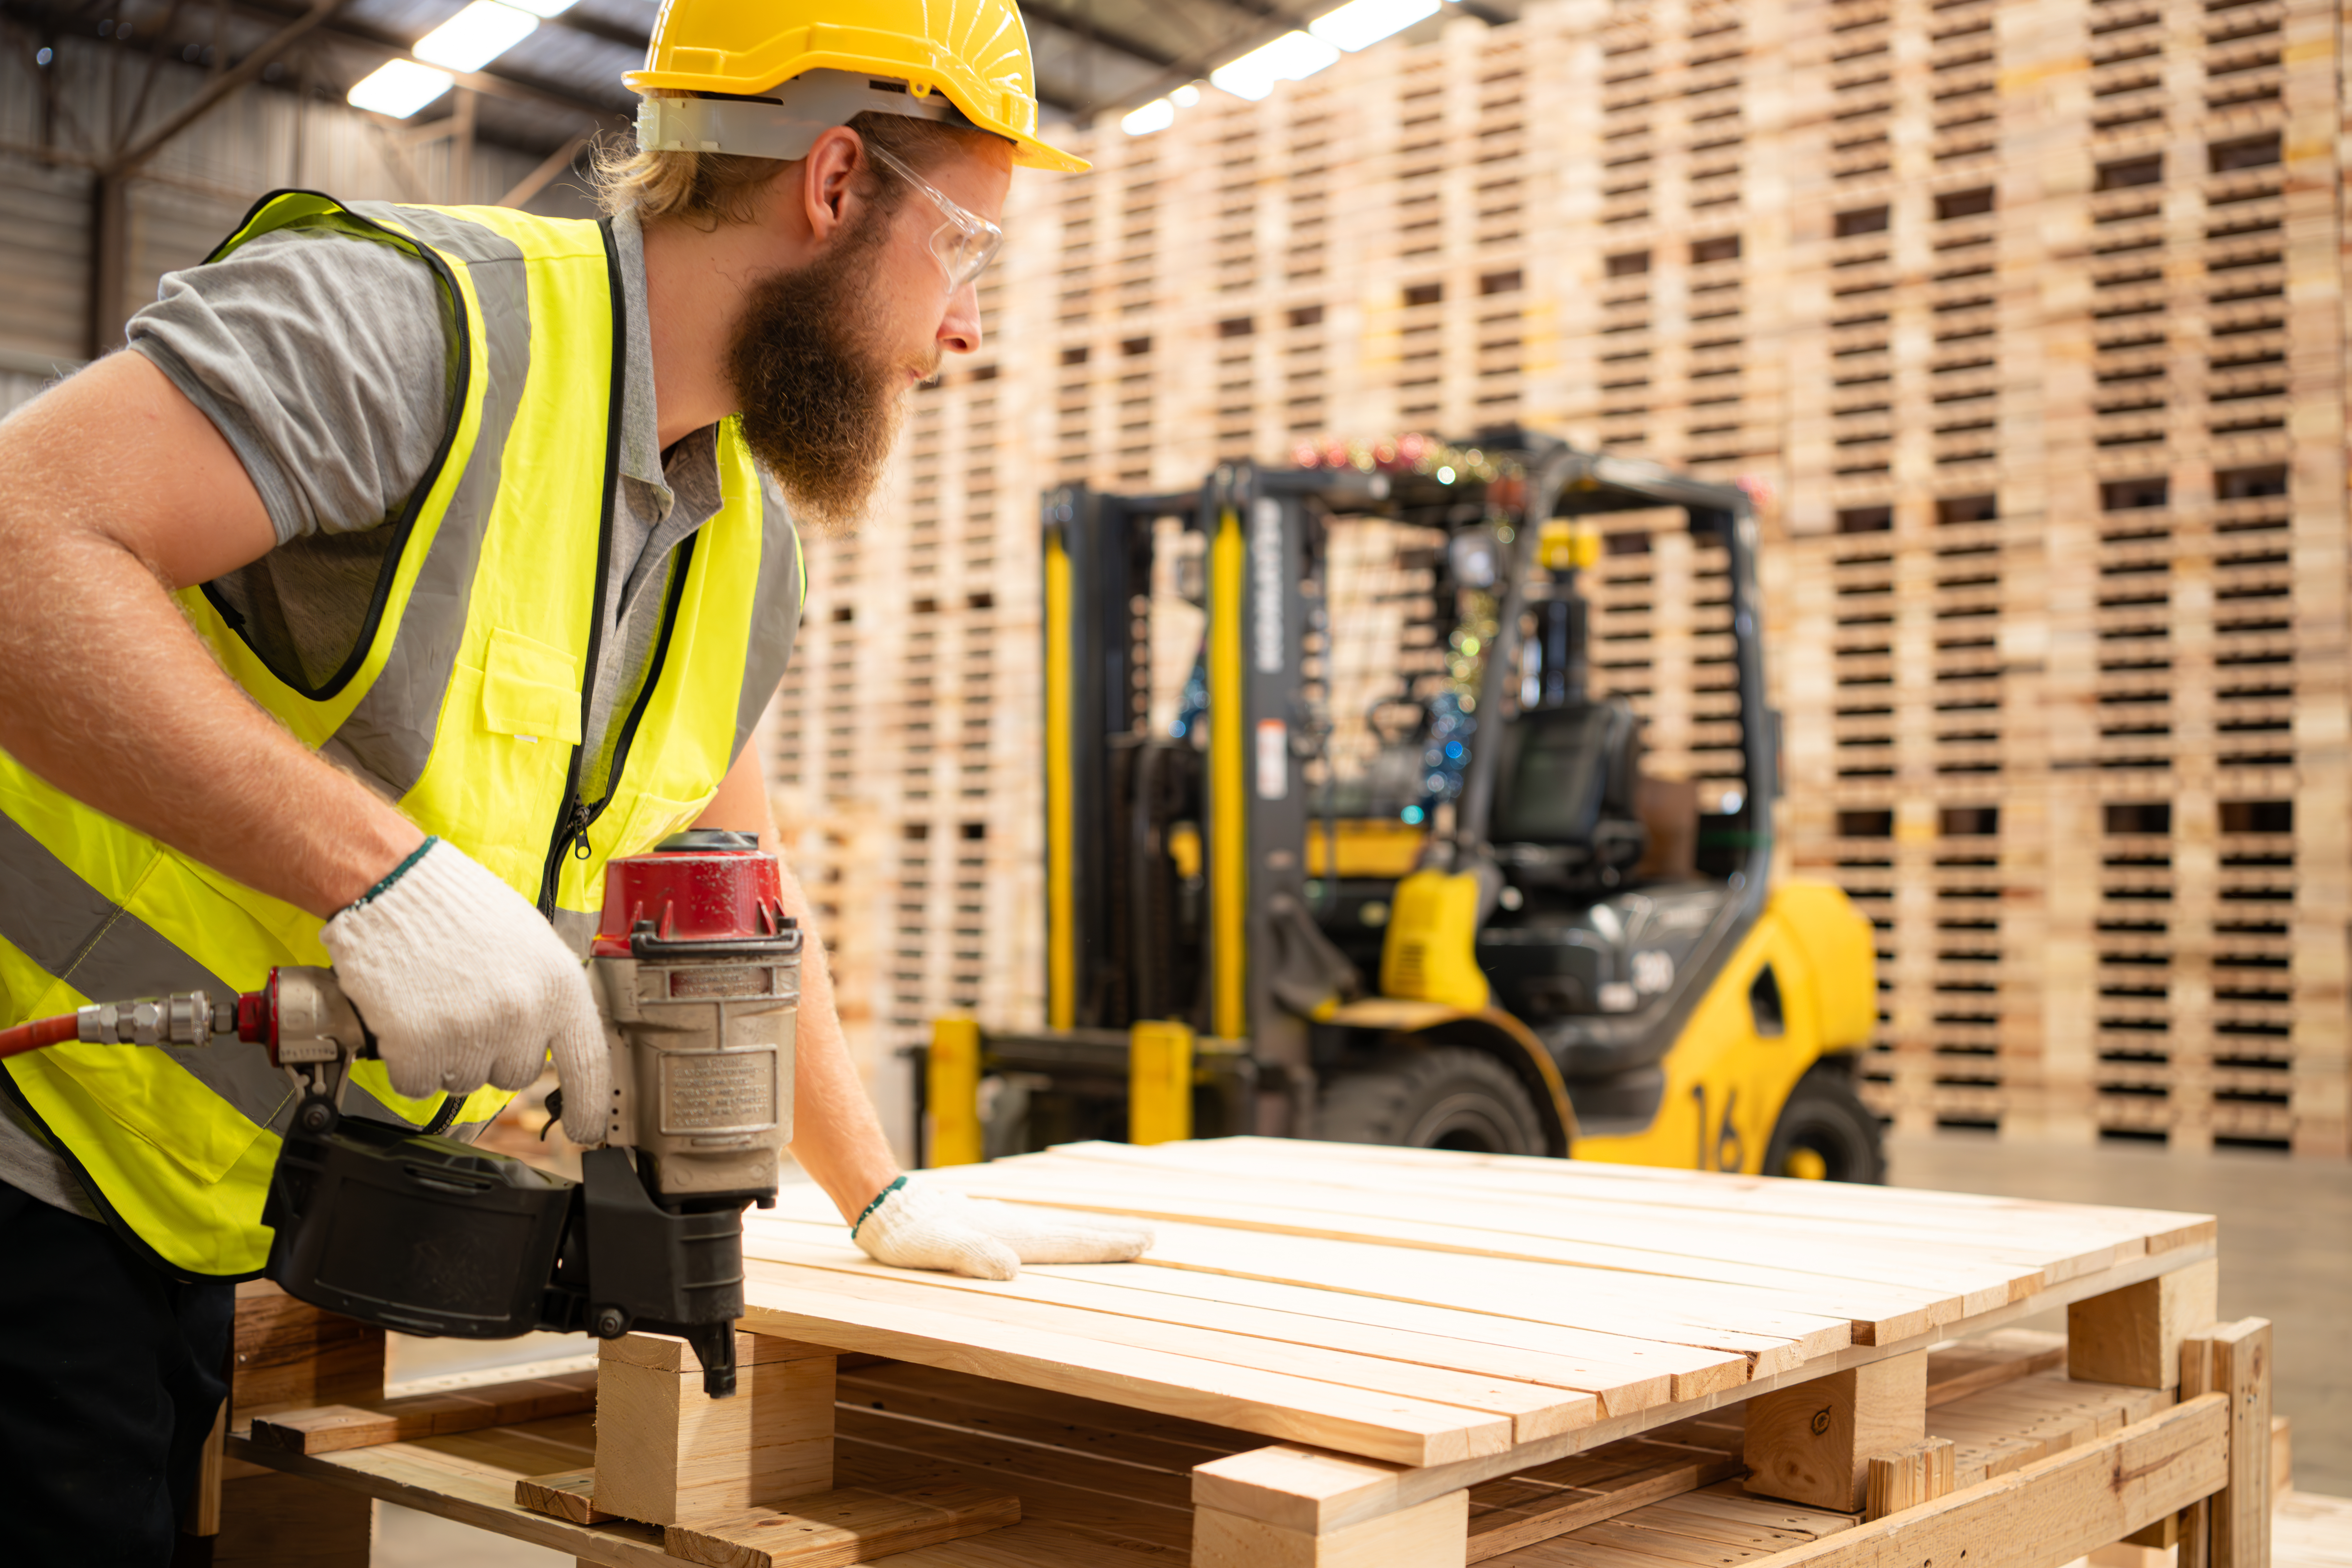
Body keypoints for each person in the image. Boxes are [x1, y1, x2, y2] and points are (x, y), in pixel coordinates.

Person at [0, 2, 1148, 1559]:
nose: (966, 325)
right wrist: (381, 880)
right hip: (26, 1132)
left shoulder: (736, 537)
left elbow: (737, 876)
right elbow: (21, 549)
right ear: (832, 183)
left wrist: (874, 1191)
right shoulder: (417, 328)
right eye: (966, 249)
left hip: (190, 1204)